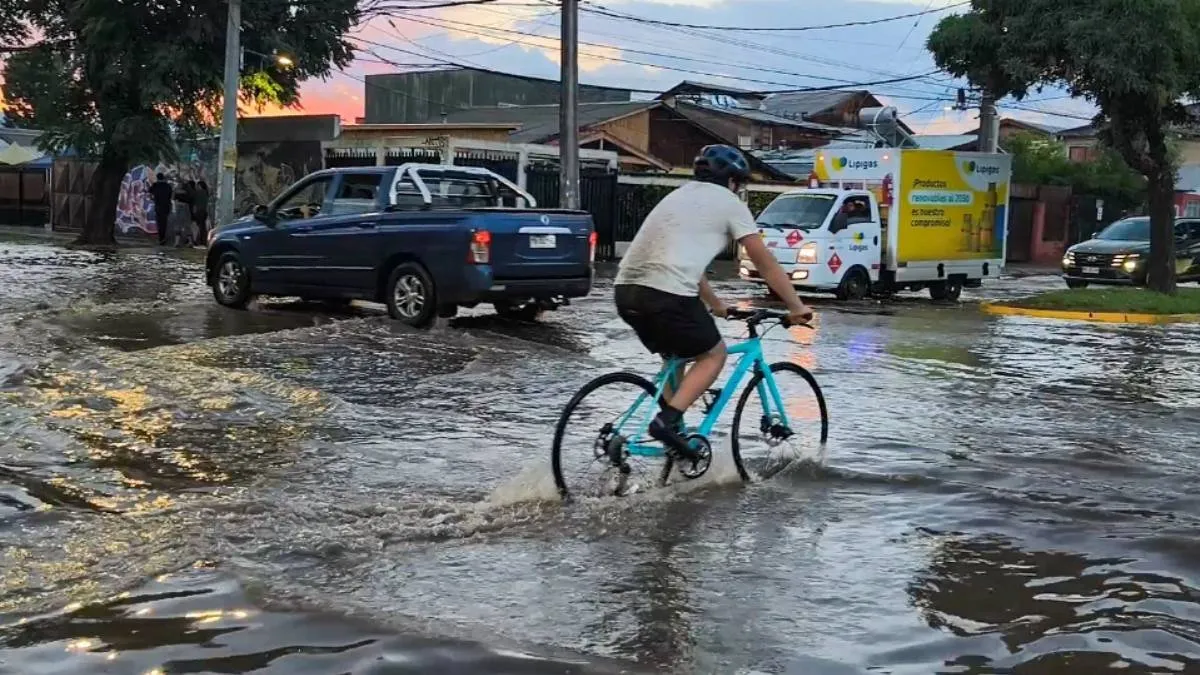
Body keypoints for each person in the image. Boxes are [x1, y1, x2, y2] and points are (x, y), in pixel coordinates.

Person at [614, 144, 814, 465]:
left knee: (676, 358)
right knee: (714, 354)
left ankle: (673, 441)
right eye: (739, 183)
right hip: (667, 294)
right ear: (732, 181)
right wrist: (796, 306)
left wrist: (718, 306)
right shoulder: (729, 202)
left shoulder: (677, 197)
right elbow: (763, 260)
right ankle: (666, 422)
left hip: (625, 292)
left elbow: (686, 267)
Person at [149, 173, 174, 245]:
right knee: (164, 222)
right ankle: (163, 237)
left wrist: (153, 198)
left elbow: (150, 192)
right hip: (166, 206)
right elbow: (171, 195)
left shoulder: (155, 185)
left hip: (158, 206)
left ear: (157, 178)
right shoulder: (168, 186)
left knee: (159, 222)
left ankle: (161, 238)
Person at [192, 180, 211, 246]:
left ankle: (199, 240)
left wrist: (194, 211)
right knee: (202, 226)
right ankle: (203, 241)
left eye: (197, 185)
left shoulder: (197, 193)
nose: (196, 187)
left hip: (199, 210)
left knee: (199, 226)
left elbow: (195, 202)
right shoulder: (206, 193)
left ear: (200, 186)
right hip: (204, 211)